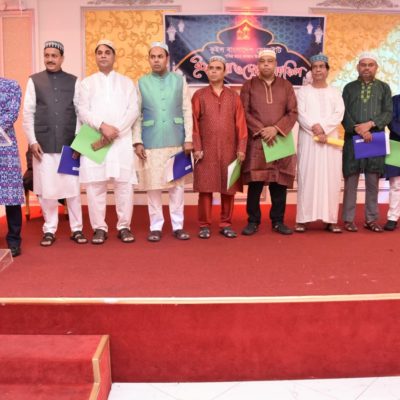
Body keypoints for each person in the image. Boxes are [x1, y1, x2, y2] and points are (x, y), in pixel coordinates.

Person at [22, 41, 87, 246]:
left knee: (72, 189)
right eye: (47, 55)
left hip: (70, 145)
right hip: (43, 144)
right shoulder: (34, 81)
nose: (50, 59)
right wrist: (32, 141)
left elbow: (80, 113)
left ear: (62, 58)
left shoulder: (74, 81)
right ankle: (49, 229)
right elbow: (28, 113)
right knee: (47, 189)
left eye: (54, 55)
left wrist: (78, 142)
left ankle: (77, 229)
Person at [78, 39, 139, 244]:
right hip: (95, 137)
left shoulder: (126, 82)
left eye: (107, 52)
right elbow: (82, 110)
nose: (103, 55)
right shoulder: (87, 83)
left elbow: (133, 110)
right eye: (99, 52)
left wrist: (116, 130)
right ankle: (99, 228)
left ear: (114, 57)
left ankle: (124, 226)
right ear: (95, 57)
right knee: (95, 185)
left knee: (124, 184)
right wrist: (102, 126)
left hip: (120, 140)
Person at [133, 42, 193, 242]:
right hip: (151, 140)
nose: (156, 60)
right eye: (153, 57)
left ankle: (178, 226)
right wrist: (137, 141)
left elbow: (187, 110)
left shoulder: (179, 81)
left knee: (177, 187)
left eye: (160, 56)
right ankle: (156, 226)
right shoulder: (141, 83)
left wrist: (189, 138)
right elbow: (137, 115)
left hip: (176, 140)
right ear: (149, 59)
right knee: (153, 187)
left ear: (167, 59)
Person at [240, 48, 298, 235]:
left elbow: (293, 112)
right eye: (262, 61)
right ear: (257, 64)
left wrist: (276, 129)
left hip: (280, 139)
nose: (266, 64)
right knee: (255, 182)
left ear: (275, 64)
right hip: (258, 140)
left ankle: (278, 221)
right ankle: (253, 221)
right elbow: (243, 112)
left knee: (278, 182)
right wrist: (261, 130)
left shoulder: (286, 86)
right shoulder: (249, 85)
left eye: (269, 61)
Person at [192, 56, 248, 239]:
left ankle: (226, 224)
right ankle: (204, 225)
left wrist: (241, 148)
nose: (214, 71)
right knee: (205, 189)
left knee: (228, 189)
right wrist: (197, 147)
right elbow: (194, 124)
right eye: (211, 68)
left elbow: (241, 124)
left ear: (225, 72)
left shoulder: (233, 97)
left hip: (229, 150)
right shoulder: (199, 95)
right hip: (205, 150)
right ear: (207, 71)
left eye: (218, 68)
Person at [342, 52, 392, 232]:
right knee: (351, 181)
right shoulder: (349, 88)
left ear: (376, 68)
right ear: (358, 67)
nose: (367, 68)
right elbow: (343, 112)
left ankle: (371, 219)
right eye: (363, 64)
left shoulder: (384, 88)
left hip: (374, 138)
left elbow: (388, 112)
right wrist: (358, 129)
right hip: (353, 138)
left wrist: (370, 125)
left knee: (372, 181)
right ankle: (348, 219)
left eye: (371, 65)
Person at [295, 53, 345, 233]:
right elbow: (300, 113)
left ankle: (330, 219)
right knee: (307, 177)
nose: (318, 70)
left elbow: (339, 113)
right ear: (311, 70)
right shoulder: (303, 92)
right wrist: (315, 128)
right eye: (315, 67)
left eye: (321, 67)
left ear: (327, 70)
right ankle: (303, 219)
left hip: (330, 140)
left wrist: (323, 128)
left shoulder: (335, 92)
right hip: (309, 139)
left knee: (331, 179)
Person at [0, 77, 24, 257]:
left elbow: (11, 114)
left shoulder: (11, 86)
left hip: (5, 148)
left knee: (11, 195)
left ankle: (14, 239)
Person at [383, 94, 400, 231]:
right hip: (395, 144)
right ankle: (392, 217)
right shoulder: (394, 100)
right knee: (395, 184)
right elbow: (390, 121)